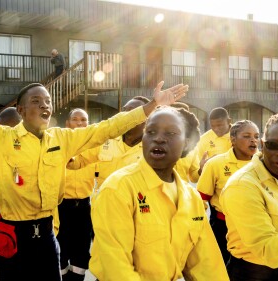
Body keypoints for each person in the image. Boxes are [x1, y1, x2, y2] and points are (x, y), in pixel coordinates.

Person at [0, 50, 188, 281]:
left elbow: (107, 128)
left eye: (48, 101)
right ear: (21, 110)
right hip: (12, 235)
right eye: (37, 101)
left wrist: (150, 107)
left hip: (48, 235)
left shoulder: (62, 138)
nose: (46, 105)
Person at [90, 106, 229, 281]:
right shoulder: (118, 188)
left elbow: (207, 265)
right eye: (151, 132)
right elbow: (117, 268)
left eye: (171, 133)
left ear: (186, 142)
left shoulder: (191, 199)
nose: (159, 139)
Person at [220, 113, 278, 281]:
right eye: (273, 145)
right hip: (255, 273)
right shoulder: (242, 185)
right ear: (262, 144)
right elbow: (268, 249)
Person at [197, 120, 260, 263]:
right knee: (222, 268)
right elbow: (200, 199)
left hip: (255, 227)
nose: (253, 140)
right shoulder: (215, 164)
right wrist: (198, 227)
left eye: (256, 136)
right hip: (222, 227)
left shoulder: (263, 163)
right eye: (247, 136)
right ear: (233, 140)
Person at [58, 108, 96, 281]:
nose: (80, 123)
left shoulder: (95, 147)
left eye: (84, 120)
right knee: (61, 249)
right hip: (60, 208)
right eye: (76, 119)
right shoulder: (58, 145)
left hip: (84, 208)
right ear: (67, 123)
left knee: (81, 250)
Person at [195, 107, 232, 175]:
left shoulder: (240, 135)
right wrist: (201, 169)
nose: (216, 129)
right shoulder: (204, 139)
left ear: (229, 121)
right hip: (216, 181)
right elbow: (196, 172)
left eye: (219, 125)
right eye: (213, 126)